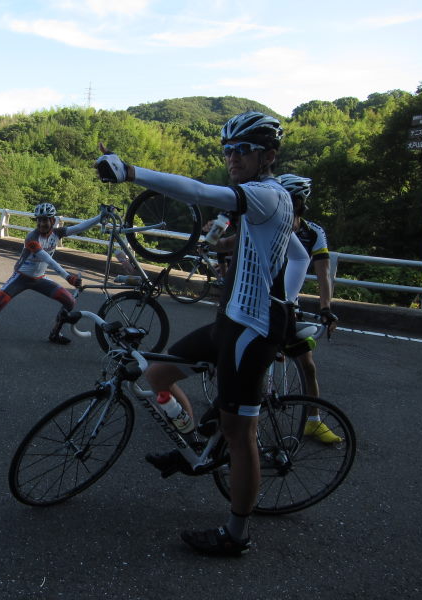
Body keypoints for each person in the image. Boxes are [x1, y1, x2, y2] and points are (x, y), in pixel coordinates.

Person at [95, 111, 293, 556]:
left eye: (242, 149)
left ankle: (236, 535)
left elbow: (202, 191)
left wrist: (131, 172)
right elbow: (277, 250)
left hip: (254, 328)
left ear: (268, 156)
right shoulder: (259, 204)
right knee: (157, 376)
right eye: (228, 150)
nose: (233, 157)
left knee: (240, 434)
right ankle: (198, 450)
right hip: (230, 321)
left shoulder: (268, 195)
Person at [0, 202, 103, 349]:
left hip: (40, 279)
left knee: (70, 301)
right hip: (21, 277)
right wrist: (67, 276)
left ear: (53, 220)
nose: (41, 223)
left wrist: (101, 216)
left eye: (45, 220)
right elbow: (47, 259)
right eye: (39, 220)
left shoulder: (57, 233)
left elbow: (81, 226)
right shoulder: (32, 237)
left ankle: (55, 333)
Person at [275, 174, 341, 443]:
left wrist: (326, 308)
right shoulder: (268, 224)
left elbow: (323, 273)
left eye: (289, 201)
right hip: (259, 301)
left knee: (307, 366)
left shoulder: (313, 232)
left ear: (299, 203)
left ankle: (313, 421)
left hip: (290, 305)